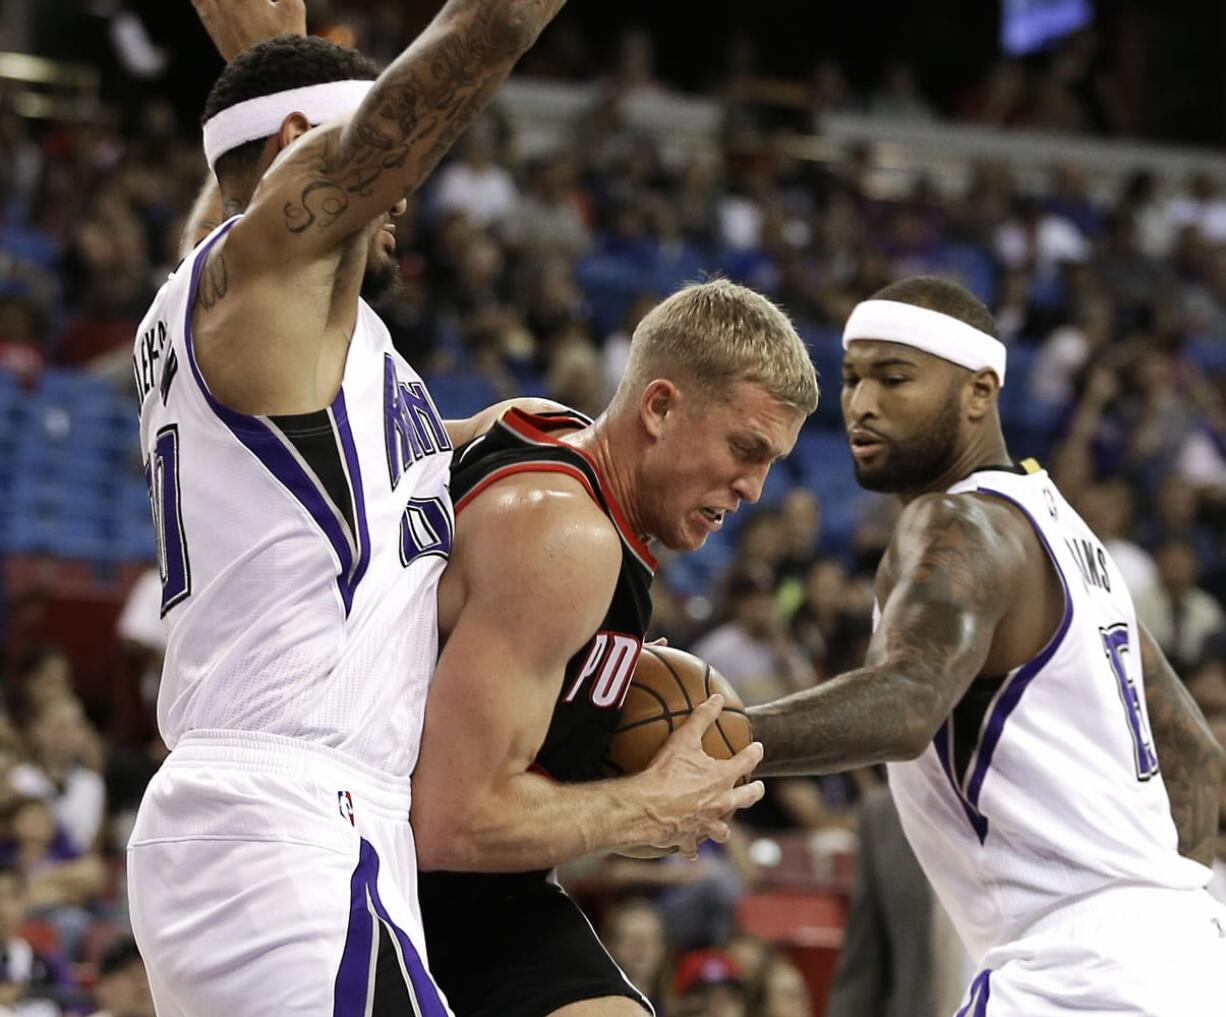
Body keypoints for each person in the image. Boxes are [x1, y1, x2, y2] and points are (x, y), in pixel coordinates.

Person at [125, 0, 568, 1013]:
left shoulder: (260, 315)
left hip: (291, 827)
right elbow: (489, 27)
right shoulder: (262, 279)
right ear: (297, 155)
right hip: (287, 821)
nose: (405, 196)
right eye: (385, 165)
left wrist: (470, 434)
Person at [747, 276, 1226, 1015]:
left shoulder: (958, 523)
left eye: (895, 377)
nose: (861, 403)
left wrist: (725, 739)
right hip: (1184, 955)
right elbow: (1196, 757)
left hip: (1078, 974)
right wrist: (1150, 917)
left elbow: (905, 704)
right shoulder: (1065, 532)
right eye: (851, 378)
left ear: (979, 391)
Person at [411, 280, 820, 1016]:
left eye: (771, 461)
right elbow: (447, 822)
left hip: (488, 892)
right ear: (659, 407)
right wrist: (647, 806)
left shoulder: (532, 422)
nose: (755, 488)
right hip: (404, 885)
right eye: (744, 448)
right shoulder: (569, 539)